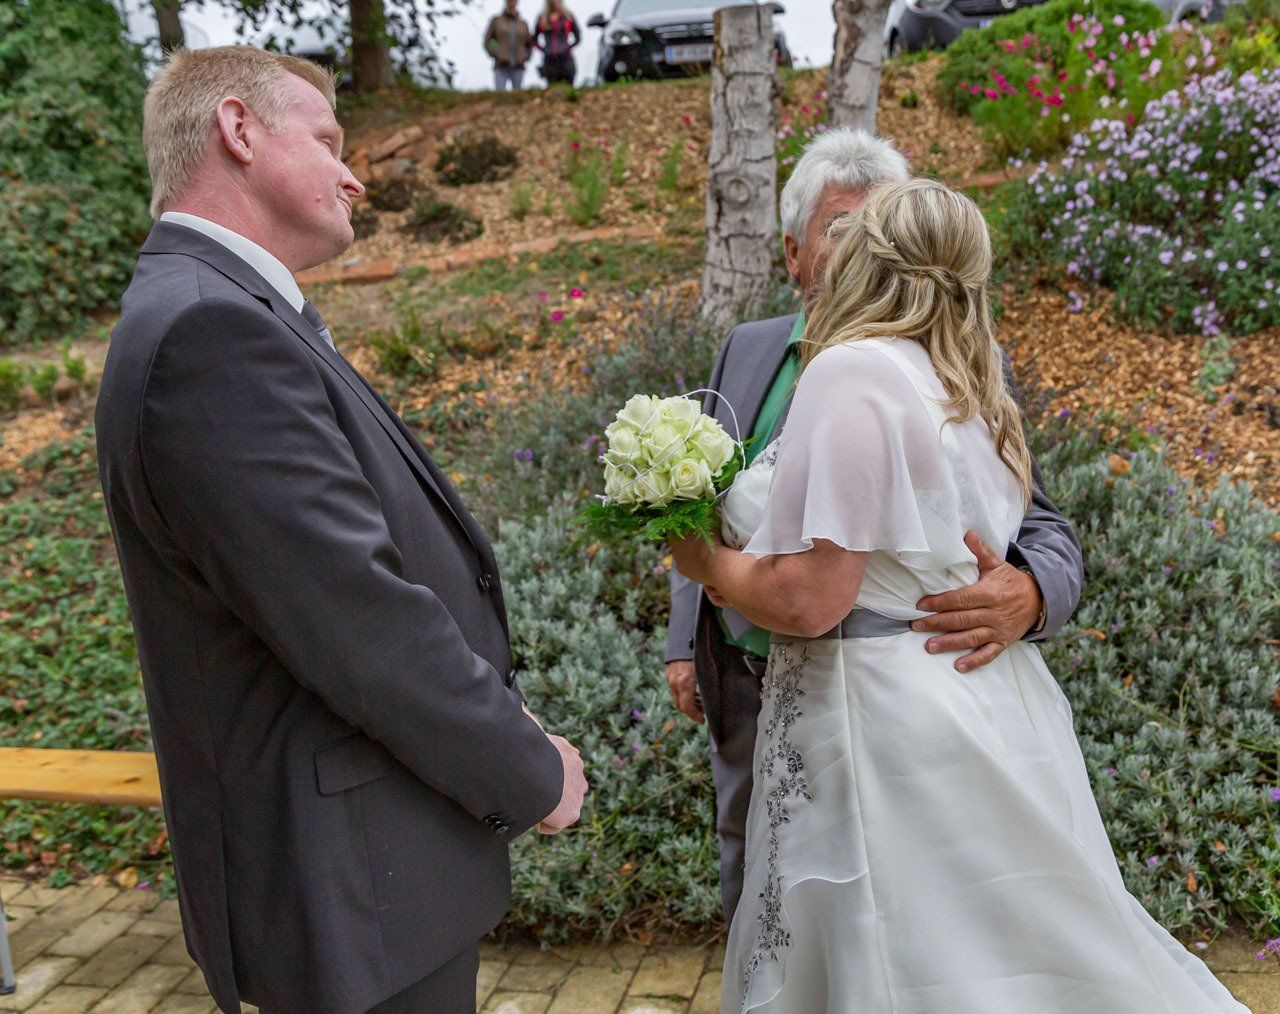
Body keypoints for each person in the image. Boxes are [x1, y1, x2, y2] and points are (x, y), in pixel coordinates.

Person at [670, 178, 1247, 1014]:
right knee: (1005, 959)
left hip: (876, 722)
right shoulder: (966, 381)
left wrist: (705, 563)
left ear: (867, 260)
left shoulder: (850, 371)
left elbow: (810, 599)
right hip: (982, 702)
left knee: (901, 963)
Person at [95, 46, 587, 1014]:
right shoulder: (210, 333)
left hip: (369, 878)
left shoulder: (221, 310)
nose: (353, 174)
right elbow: (358, 622)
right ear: (238, 130)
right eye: (326, 139)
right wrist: (529, 770)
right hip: (352, 895)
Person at [664, 128, 1084, 925]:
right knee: (760, 892)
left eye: (879, 222)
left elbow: (1033, 516)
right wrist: (684, 640)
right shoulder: (747, 351)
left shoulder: (953, 359)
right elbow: (704, 500)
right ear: (795, 254)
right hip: (750, 684)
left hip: (875, 694)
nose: (865, 243)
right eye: (841, 226)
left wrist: (1030, 594)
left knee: (871, 915)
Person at [484, 0, 533, 92]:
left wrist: (525, 57)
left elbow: (529, 44)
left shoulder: (523, 24)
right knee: (500, 95)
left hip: (518, 66)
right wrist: (496, 54)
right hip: (501, 66)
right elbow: (487, 41)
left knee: (517, 96)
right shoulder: (496, 21)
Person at [534, 0, 581, 86]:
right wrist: (545, 50)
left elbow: (578, 37)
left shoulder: (568, 16)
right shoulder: (542, 18)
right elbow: (534, 40)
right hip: (550, 61)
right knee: (552, 88)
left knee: (569, 88)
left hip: (566, 59)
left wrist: (568, 48)